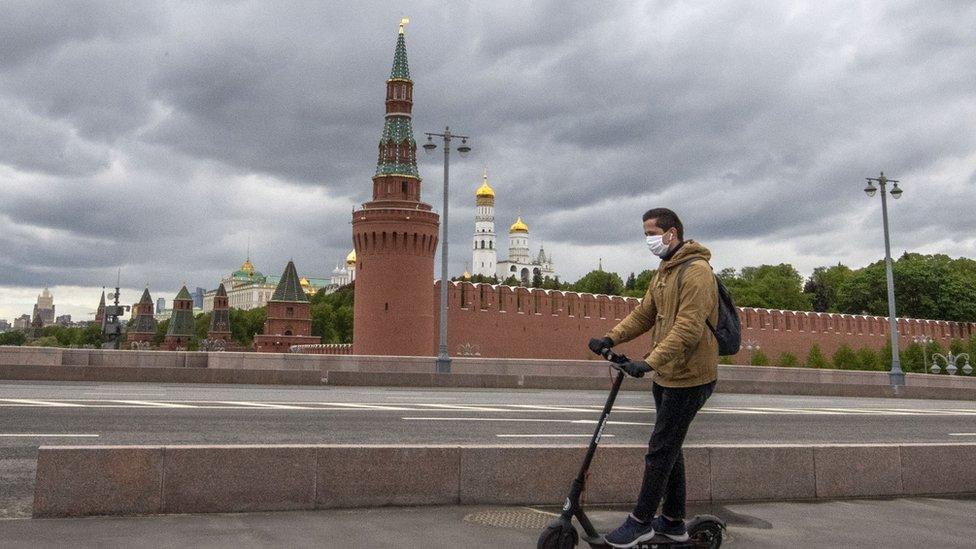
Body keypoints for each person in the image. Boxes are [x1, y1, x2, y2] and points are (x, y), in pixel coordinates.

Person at [588, 208, 719, 548]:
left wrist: (648, 362)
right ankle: (674, 522)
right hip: (668, 374)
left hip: (691, 376)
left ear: (671, 233)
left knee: (660, 451)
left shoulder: (697, 272)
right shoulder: (666, 269)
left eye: (652, 232)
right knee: (670, 448)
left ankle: (641, 522)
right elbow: (646, 312)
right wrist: (611, 338)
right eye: (645, 232)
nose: (648, 239)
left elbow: (688, 329)